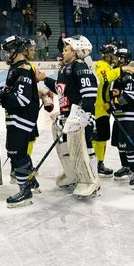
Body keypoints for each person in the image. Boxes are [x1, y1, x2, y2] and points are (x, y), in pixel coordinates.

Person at [39, 35, 100, 197]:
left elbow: (89, 94)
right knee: (68, 148)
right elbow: (61, 89)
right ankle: (75, 175)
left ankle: (92, 180)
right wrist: (45, 80)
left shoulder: (80, 67)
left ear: (76, 52)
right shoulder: (65, 68)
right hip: (67, 116)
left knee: (85, 147)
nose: (63, 52)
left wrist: (85, 116)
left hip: (79, 116)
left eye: (66, 50)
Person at [0, 36, 40, 207]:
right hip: (18, 118)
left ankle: (25, 191)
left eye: (9, 51)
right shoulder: (16, 68)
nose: (7, 54)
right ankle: (30, 182)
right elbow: (13, 91)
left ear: (19, 51)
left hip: (21, 118)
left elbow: (21, 99)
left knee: (16, 153)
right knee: (19, 151)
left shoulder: (23, 69)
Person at [109, 47, 134, 188]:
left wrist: (113, 103)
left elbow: (130, 96)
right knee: (120, 145)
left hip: (130, 117)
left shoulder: (129, 75)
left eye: (118, 58)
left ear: (124, 59)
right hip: (121, 116)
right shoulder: (118, 75)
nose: (115, 60)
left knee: (129, 147)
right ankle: (126, 167)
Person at [93, 44, 120, 178]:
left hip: (102, 106)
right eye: (114, 55)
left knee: (101, 137)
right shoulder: (100, 65)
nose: (116, 58)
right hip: (99, 107)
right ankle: (97, 163)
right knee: (99, 137)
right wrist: (119, 71)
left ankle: (98, 163)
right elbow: (104, 80)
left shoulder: (107, 66)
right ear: (107, 55)